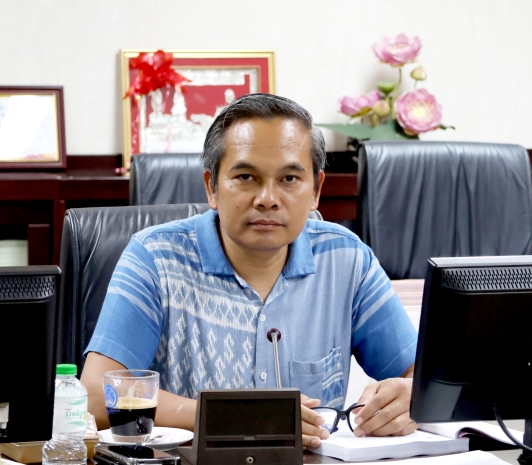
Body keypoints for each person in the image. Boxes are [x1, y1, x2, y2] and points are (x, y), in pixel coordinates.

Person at [81, 93, 418, 447]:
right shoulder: (154, 258)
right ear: (212, 187)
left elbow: (419, 375)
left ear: (316, 190)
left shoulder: (347, 259)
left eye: (289, 179)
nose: (267, 199)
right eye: (246, 177)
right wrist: (239, 417)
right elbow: (97, 397)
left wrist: (411, 396)